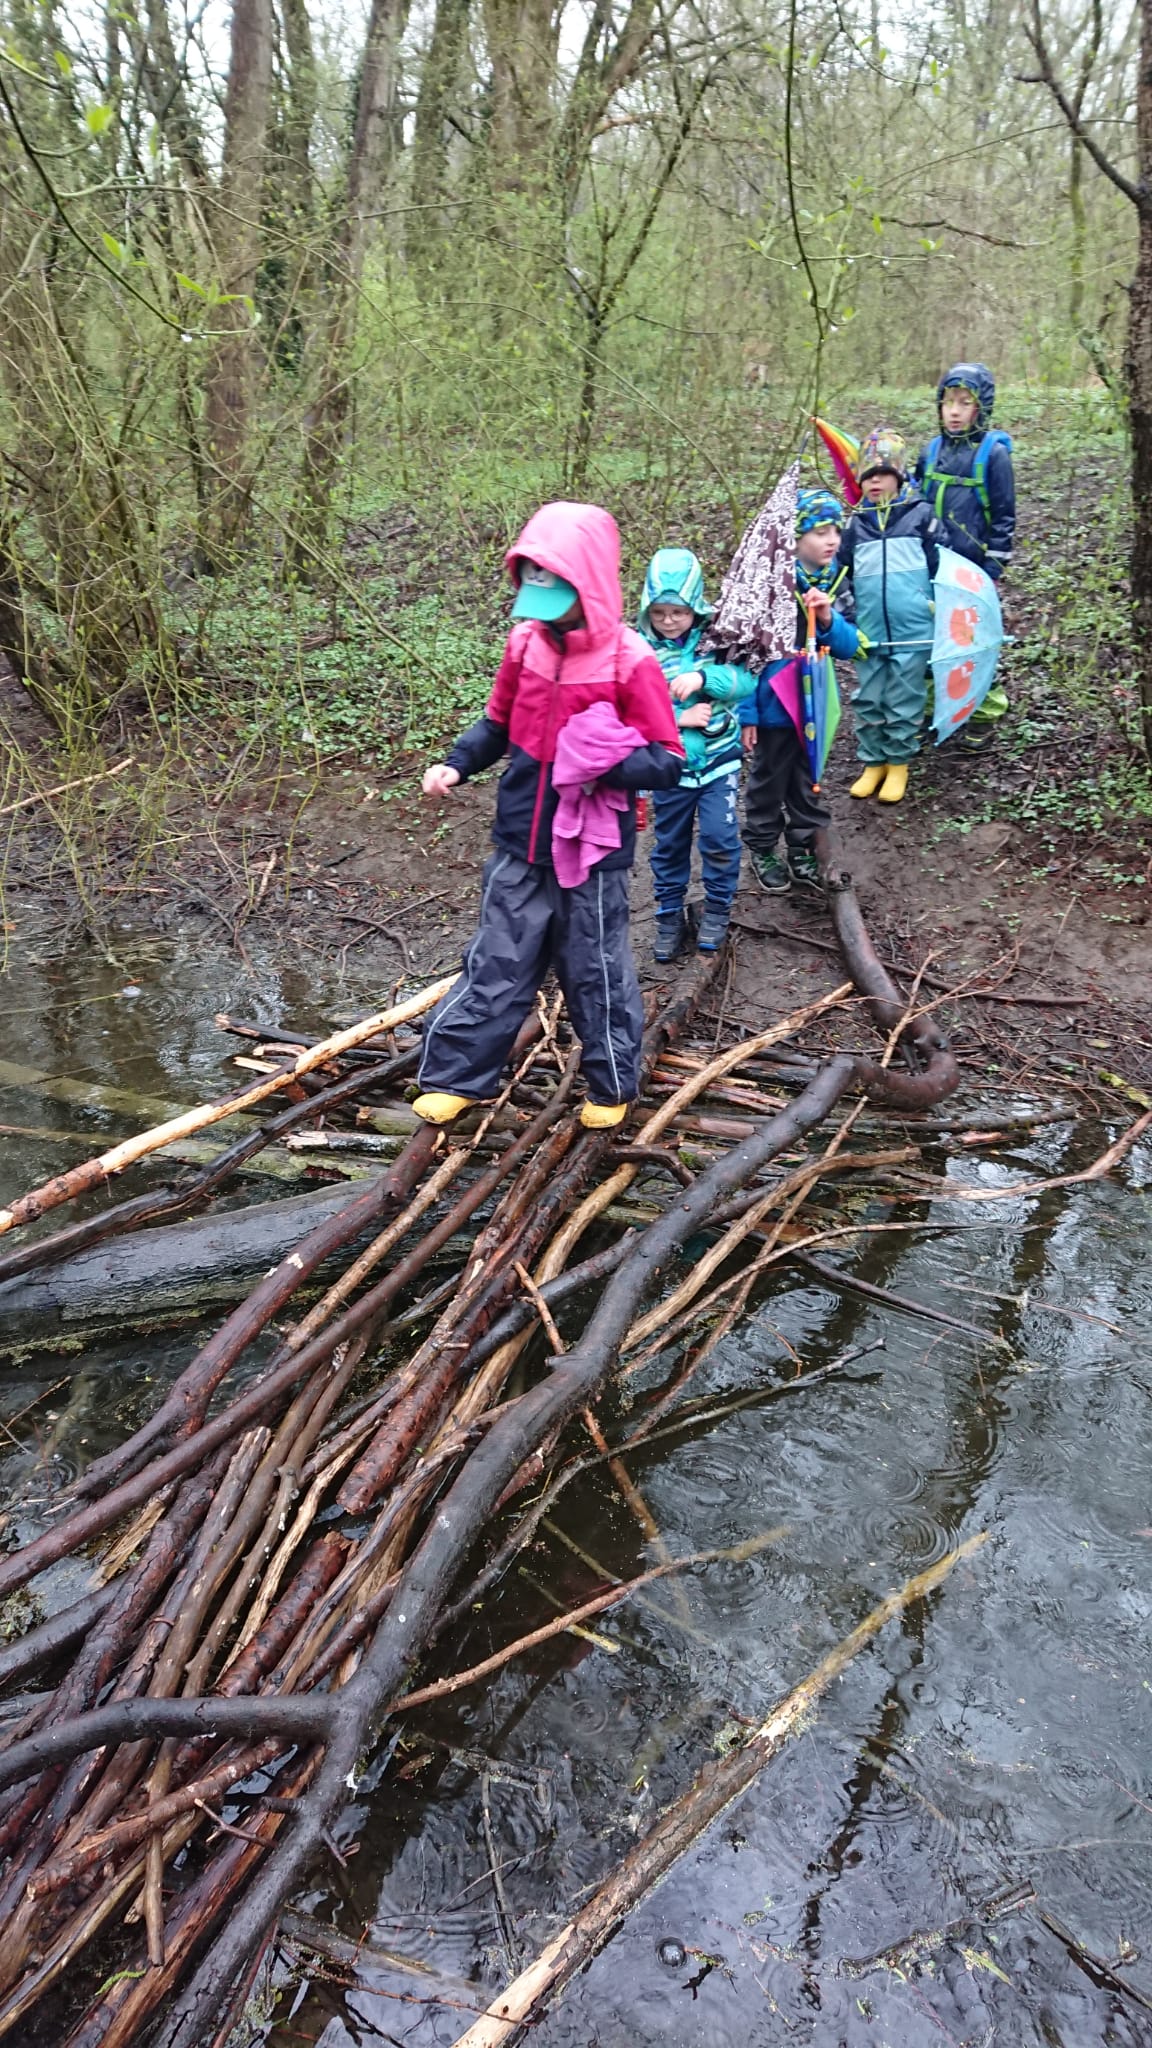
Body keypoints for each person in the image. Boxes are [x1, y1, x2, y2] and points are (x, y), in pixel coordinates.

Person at [416, 500, 684, 1131]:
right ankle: (458, 1079)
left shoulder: (629, 659)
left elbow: (668, 759)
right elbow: (497, 723)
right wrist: (456, 764)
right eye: (531, 587)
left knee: (595, 968)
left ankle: (611, 1085)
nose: (540, 607)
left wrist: (601, 760)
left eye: (552, 590)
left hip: (593, 850)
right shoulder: (524, 643)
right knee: (497, 961)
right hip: (520, 837)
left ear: (586, 584)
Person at [739, 488, 862, 892]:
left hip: (815, 704)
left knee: (809, 779)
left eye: (836, 531)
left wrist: (826, 617)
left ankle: (802, 846)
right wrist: (748, 713)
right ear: (795, 538)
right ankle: (762, 847)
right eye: (820, 532)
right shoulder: (770, 585)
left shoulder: (834, 578)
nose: (832, 540)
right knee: (768, 780)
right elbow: (746, 652)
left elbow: (848, 646)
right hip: (775, 704)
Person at [637, 547, 757, 960]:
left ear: (696, 607)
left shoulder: (717, 640)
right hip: (670, 767)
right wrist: (677, 720)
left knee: (719, 837)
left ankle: (717, 909)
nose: (669, 620)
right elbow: (632, 709)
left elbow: (747, 681)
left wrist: (705, 676)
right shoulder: (641, 650)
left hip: (720, 761)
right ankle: (669, 915)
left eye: (679, 612)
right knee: (669, 843)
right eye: (659, 612)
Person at [914, 362, 1015, 753]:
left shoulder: (994, 456)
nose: (954, 412)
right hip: (930, 566)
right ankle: (934, 707)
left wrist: (993, 569)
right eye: (948, 403)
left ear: (981, 408)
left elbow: (1004, 517)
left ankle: (984, 712)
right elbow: (915, 503)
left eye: (965, 403)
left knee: (973, 640)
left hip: (971, 571)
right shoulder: (931, 452)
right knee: (929, 639)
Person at [838, 429, 939, 806]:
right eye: (868, 476)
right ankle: (873, 762)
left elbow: (941, 564)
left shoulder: (920, 516)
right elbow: (841, 574)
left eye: (883, 473)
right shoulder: (856, 524)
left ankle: (898, 762)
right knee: (868, 698)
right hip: (870, 631)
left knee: (903, 698)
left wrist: (935, 605)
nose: (875, 482)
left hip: (913, 630)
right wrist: (849, 616)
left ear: (899, 475)